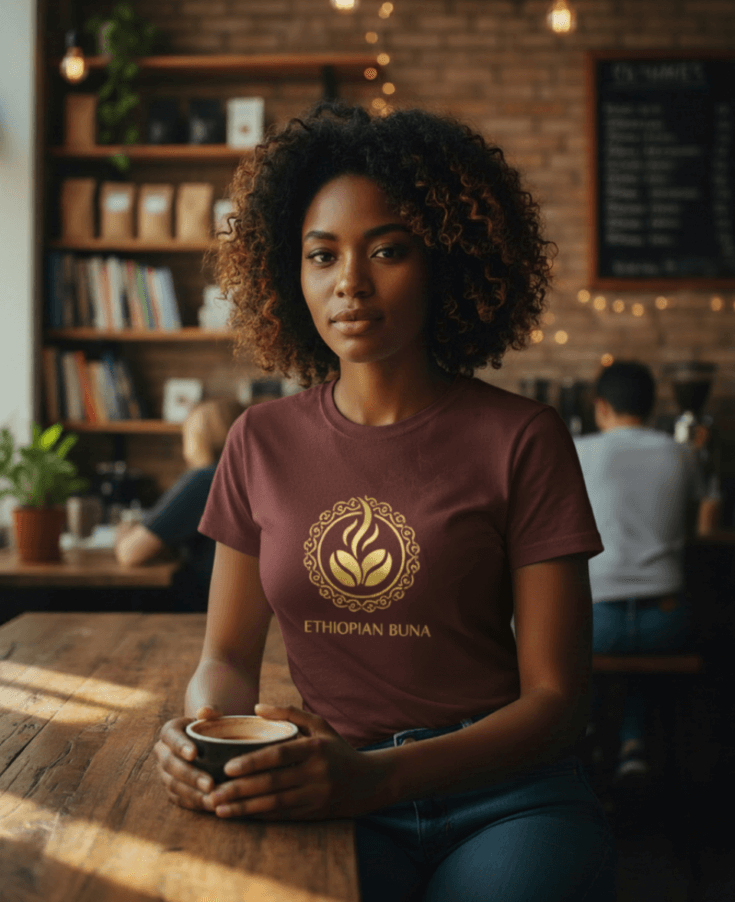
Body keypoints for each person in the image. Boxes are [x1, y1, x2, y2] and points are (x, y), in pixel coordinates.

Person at [153, 102, 615, 901]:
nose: (350, 284)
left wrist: (374, 777)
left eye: (388, 251)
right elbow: (225, 659)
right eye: (322, 255)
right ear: (288, 274)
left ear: (447, 261)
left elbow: (556, 703)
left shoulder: (522, 437)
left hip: (504, 794)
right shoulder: (258, 441)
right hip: (324, 787)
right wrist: (206, 736)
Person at [574, 361, 703, 780]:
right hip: (668, 622)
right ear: (651, 407)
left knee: (562, 637)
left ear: (601, 406)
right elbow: (693, 525)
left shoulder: (576, 451)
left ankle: (585, 736)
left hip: (598, 623)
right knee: (640, 657)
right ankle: (634, 745)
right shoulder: (681, 454)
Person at [115, 397, 243, 609]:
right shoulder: (244, 478)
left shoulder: (205, 480)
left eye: (186, 435)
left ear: (199, 438)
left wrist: (122, 531)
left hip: (203, 609)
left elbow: (131, 553)